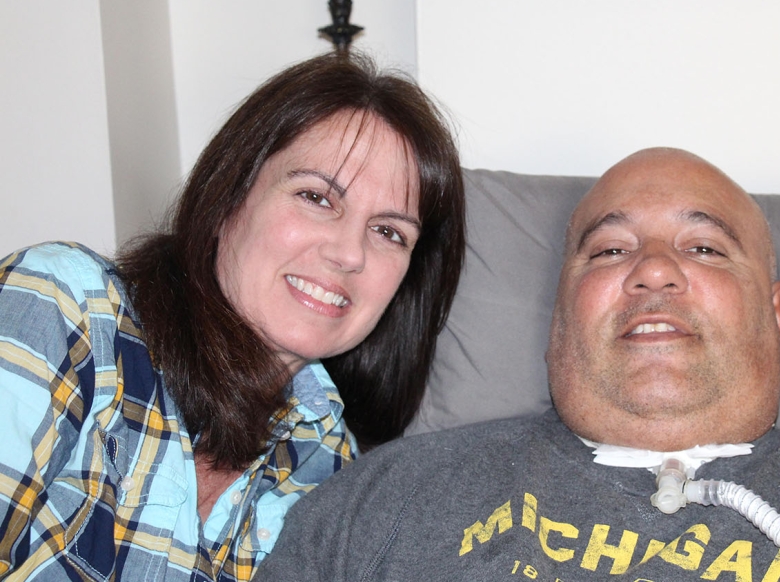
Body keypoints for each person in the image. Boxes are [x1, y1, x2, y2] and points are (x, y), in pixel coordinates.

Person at [254, 148, 780, 581]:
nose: (652, 272)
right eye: (610, 249)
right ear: (560, 320)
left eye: (701, 248)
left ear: (774, 316)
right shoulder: (380, 504)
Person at [0, 52, 464, 581]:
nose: (350, 253)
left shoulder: (334, 471)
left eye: (389, 232)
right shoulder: (66, 306)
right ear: (228, 197)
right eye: (316, 197)